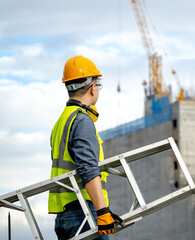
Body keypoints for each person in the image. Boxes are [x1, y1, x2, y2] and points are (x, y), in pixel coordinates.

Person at [48, 55, 123, 240]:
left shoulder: (61, 121)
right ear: (92, 88)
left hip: (65, 216)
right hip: (84, 212)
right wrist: (102, 210)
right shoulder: (82, 120)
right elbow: (87, 167)